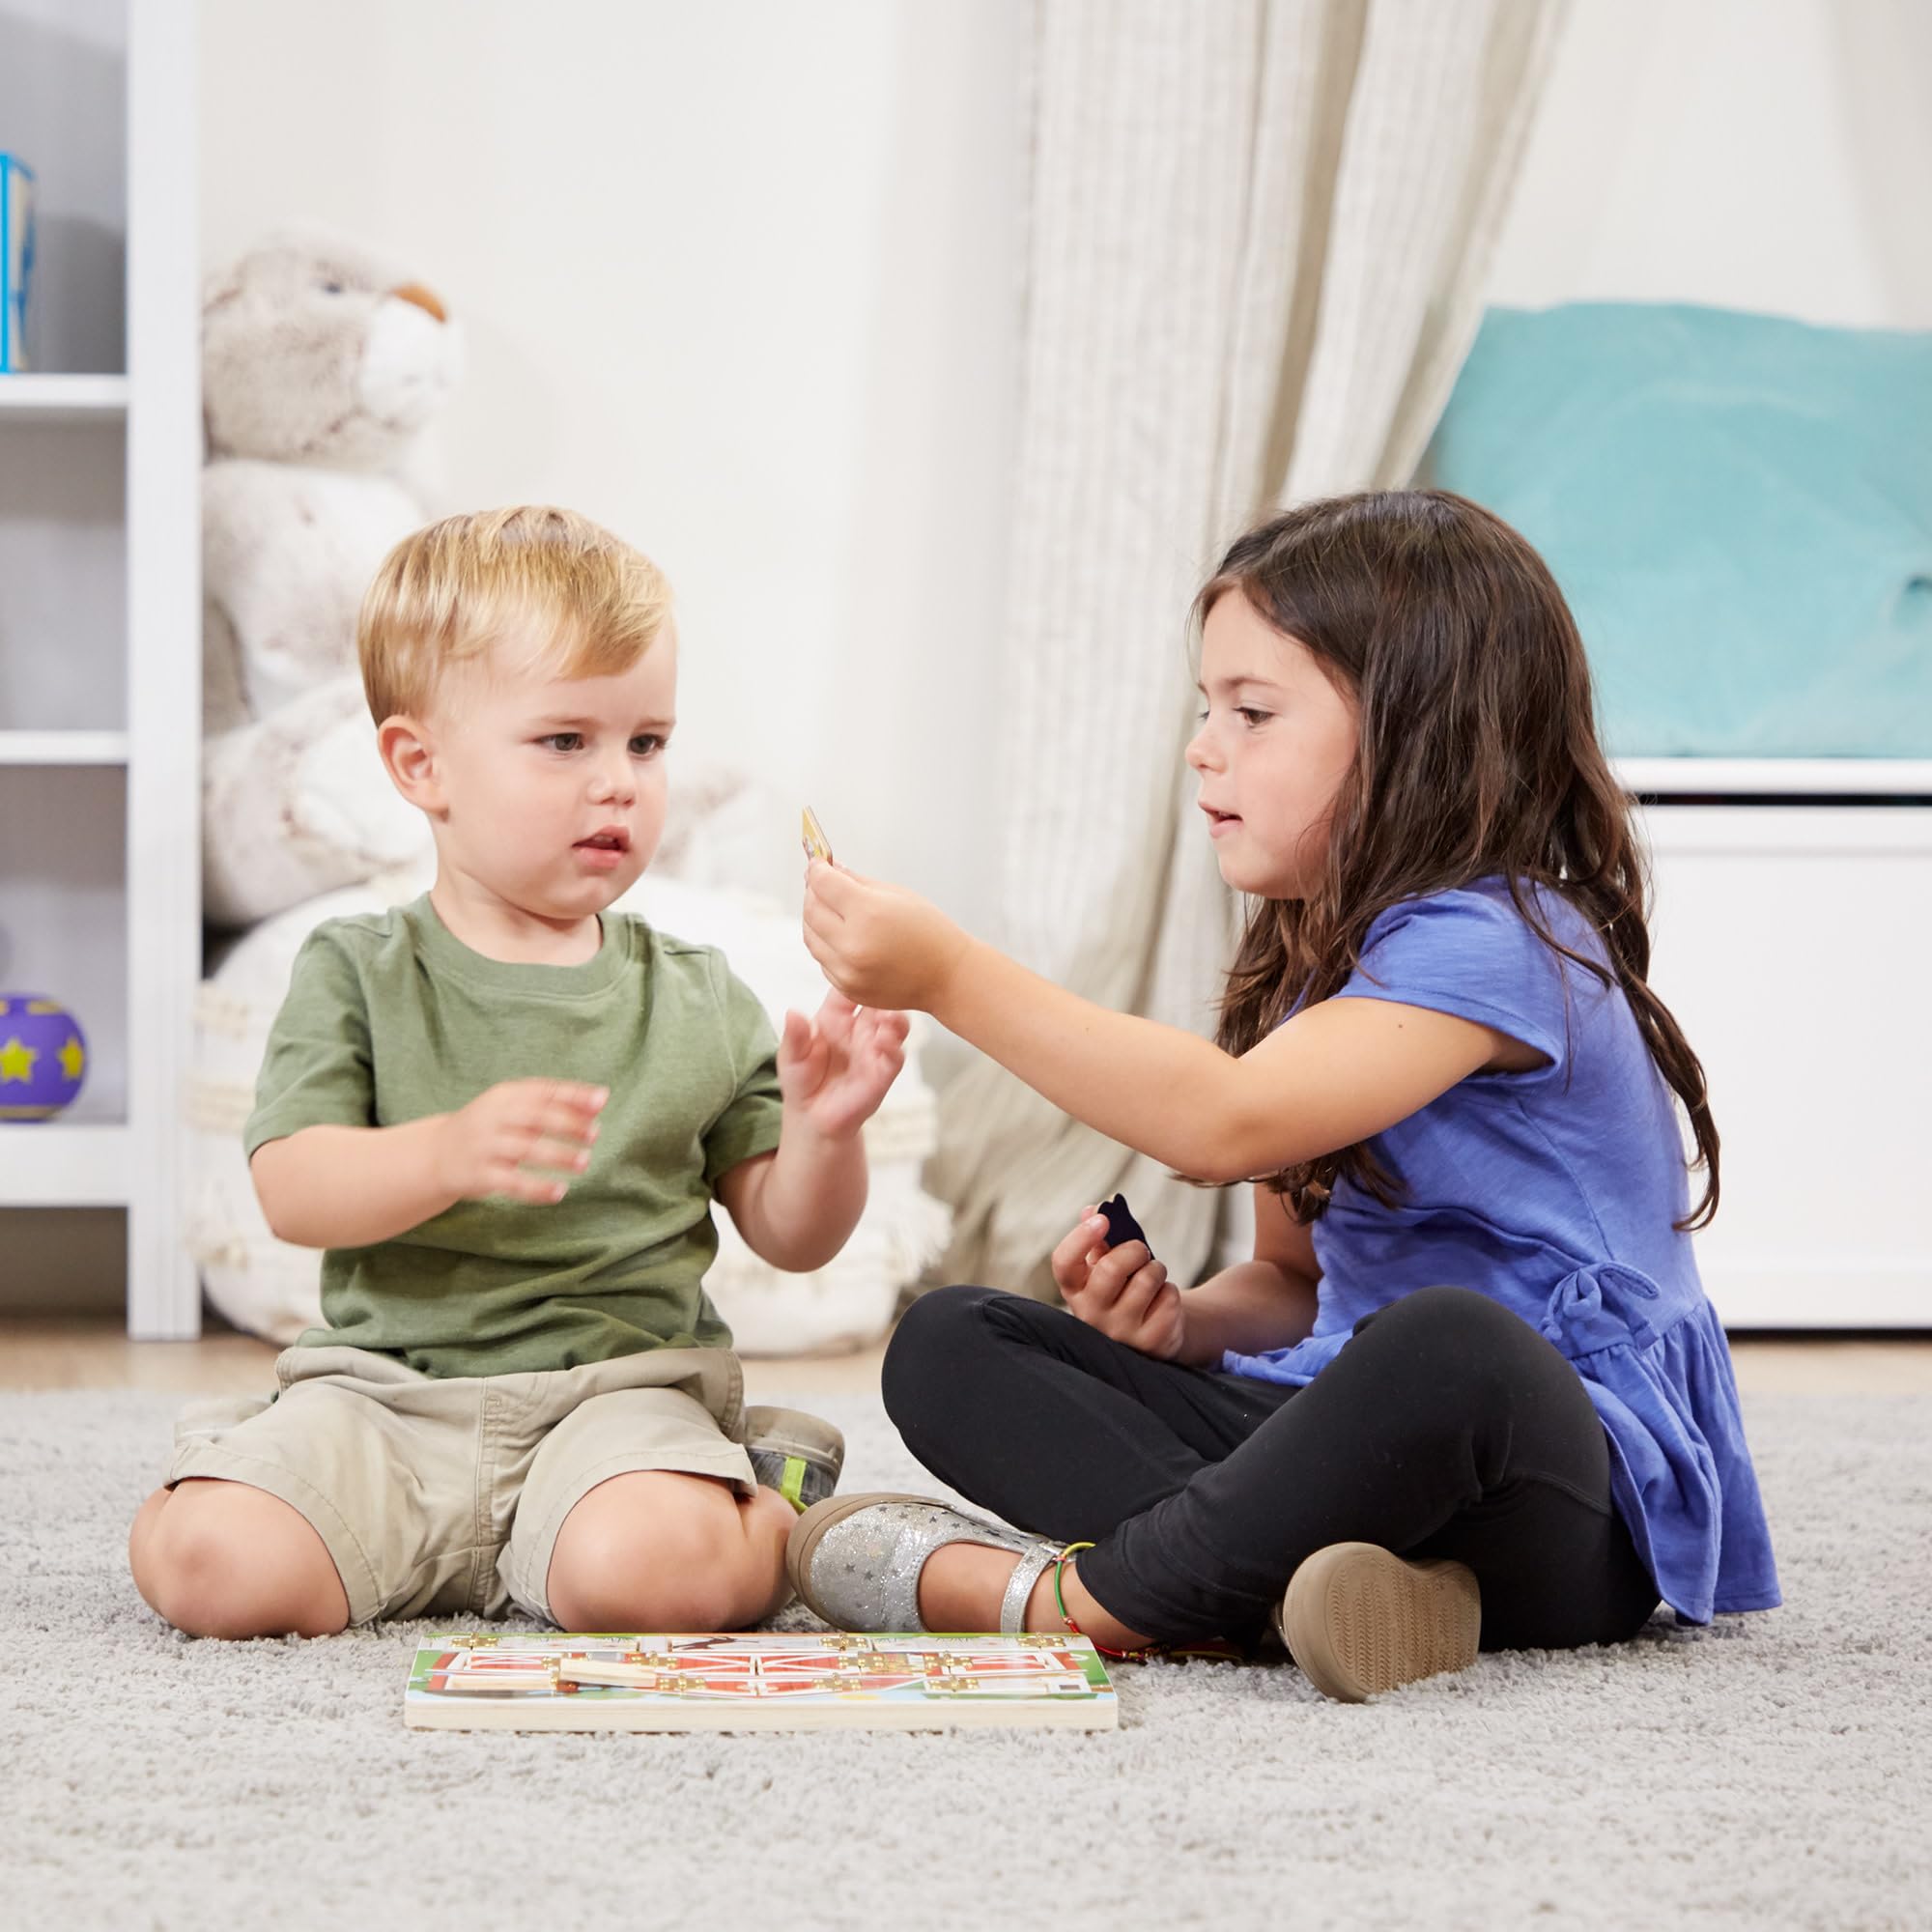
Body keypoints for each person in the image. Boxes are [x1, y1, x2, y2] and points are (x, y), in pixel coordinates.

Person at [788, 489, 1779, 1701]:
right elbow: (1297, 1285)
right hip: (1355, 1461)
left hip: (1568, 1490)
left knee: (1452, 1344)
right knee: (949, 1339)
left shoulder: (1498, 941)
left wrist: (947, 973)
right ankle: (1345, 1597)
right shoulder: (1310, 970)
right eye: (1205, 708)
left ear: (1421, 731)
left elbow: (1220, 1124)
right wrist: (1185, 1325)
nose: (1204, 745)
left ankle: (1086, 1601)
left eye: (1252, 712)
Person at [129, 506, 908, 1639]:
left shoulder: (698, 992)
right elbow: (293, 1190)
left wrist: (826, 1133)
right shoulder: (353, 967)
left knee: (657, 1582)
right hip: (383, 1396)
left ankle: (754, 1487)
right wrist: (442, 1152)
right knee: (209, 1567)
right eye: (564, 741)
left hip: (620, 1399)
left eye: (645, 742)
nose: (619, 783)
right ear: (420, 764)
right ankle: (258, 1460)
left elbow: (792, 1234)